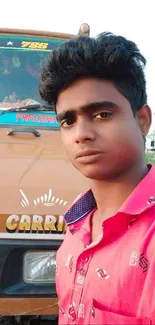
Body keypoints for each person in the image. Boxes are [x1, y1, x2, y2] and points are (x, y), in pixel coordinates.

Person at [39, 28, 155, 325]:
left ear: (142, 119)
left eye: (102, 114)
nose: (81, 134)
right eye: (68, 121)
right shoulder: (77, 224)